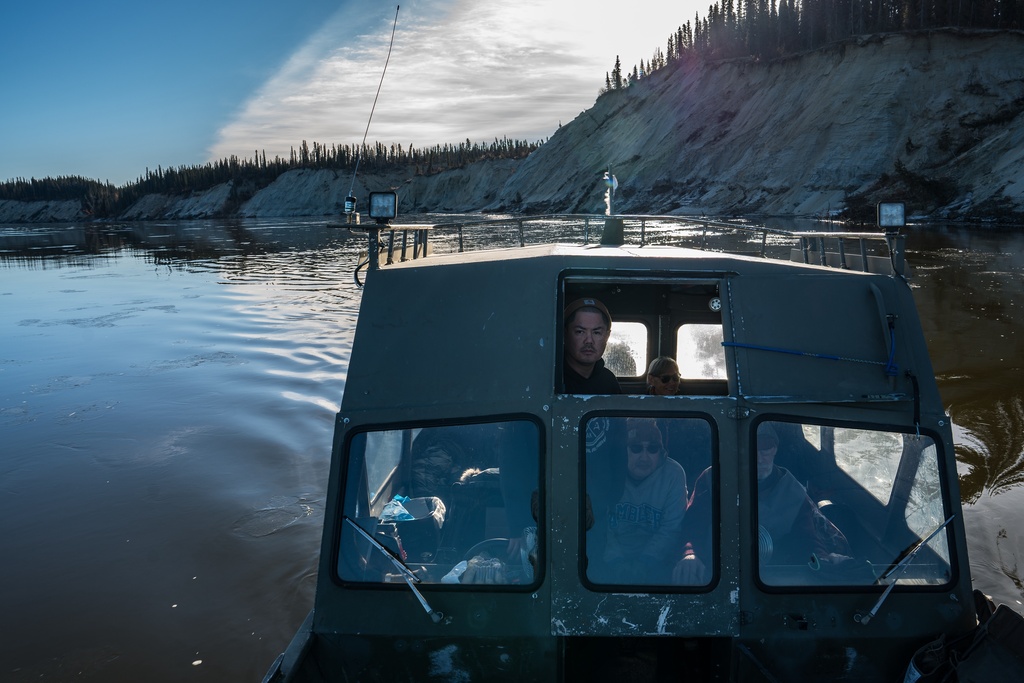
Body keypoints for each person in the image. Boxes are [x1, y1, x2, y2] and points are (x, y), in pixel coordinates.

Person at [672, 422, 850, 584]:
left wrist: (823, 558)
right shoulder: (712, 478)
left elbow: (806, 539)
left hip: (773, 573)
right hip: (716, 566)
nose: (758, 456)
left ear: (775, 449)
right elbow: (693, 525)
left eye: (765, 447)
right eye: (751, 447)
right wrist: (690, 554)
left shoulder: (793, 491)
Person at [595, 418, 687, 584]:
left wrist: (647, 561)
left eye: (652, 449)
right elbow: (600, 522)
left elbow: (672, 526)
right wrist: (615, 561)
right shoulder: (606, 472)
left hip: (659, 562)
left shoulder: (673, 474)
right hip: (607, 559)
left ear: (661, 451)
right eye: (636, 448)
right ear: (623, 450)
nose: (644, 457)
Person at [562, 297, 621, 394]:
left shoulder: (608, 381)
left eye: (596, 333)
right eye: (580, 332)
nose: (589, 340)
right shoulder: (550, 379)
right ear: (565, 334)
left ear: (607, 336)